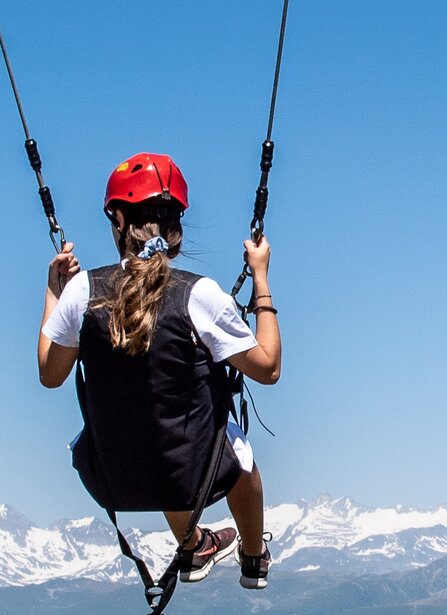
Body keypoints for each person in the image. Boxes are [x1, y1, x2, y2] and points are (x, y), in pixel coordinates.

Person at [37, 152, 283, 589]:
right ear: (176, 230)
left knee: (155, 418)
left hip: (110, 473)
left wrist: (54, 291)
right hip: (188, 472)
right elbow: (268, 367)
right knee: (228, 445)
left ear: (117, 220)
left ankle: (193, 549)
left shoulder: (82, 292)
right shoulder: (197, 295)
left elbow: (50, 373)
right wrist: (261, 279)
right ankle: (252, 556)